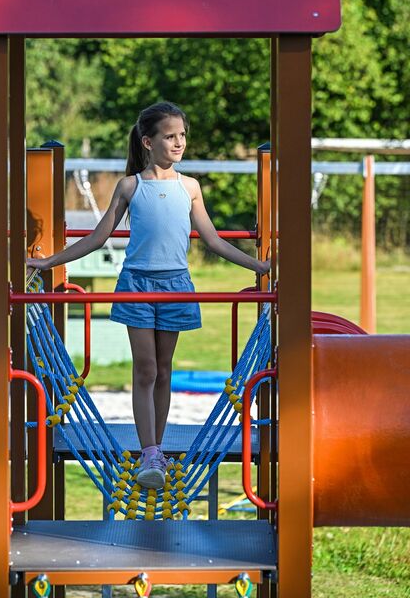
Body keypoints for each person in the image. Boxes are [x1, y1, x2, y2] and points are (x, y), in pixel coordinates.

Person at [27, 102, 270, 489]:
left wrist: (259, 266)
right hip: (137, 285)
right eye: (170, 136)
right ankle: (150, 451)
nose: (179, 142)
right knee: (146, 369)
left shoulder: (189, 187)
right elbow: (98, 237)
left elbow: (212, 240)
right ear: (148, 142)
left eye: (182, 135)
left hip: (176, 285)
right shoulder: (131, 186)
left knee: (164, 370)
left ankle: (155, 448)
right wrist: (48, 262)